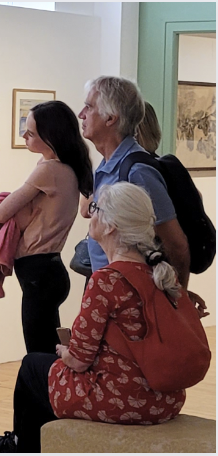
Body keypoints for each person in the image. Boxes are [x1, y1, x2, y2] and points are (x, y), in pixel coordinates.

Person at [0, 182, 189, 453]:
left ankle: (22, 444)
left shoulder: (107, 280)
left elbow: (79, 361)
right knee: (44, 369)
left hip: (125, 399)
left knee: (33, 367)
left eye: (95, 209)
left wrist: (64, 351)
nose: (88, 214)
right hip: (166, 398)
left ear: (110, 226)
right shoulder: (159, 273)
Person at [77, 75, 206, 318]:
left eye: (89, 107)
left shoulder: (138, 172)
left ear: (110, 118)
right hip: (111, 292)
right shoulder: (108, 165)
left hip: (134, 302)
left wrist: (175, 301)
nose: (81, 114)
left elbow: (176, 244)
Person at [0, 101, 93, 354]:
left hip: (38, 272)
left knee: (39, 353)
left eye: (31, 133)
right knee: (49, 348)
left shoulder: (48, 170)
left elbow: (0, 214)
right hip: (50, 269)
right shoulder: (68, 168)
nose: (24, 136)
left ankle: (45, 394)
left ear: (50, 137)